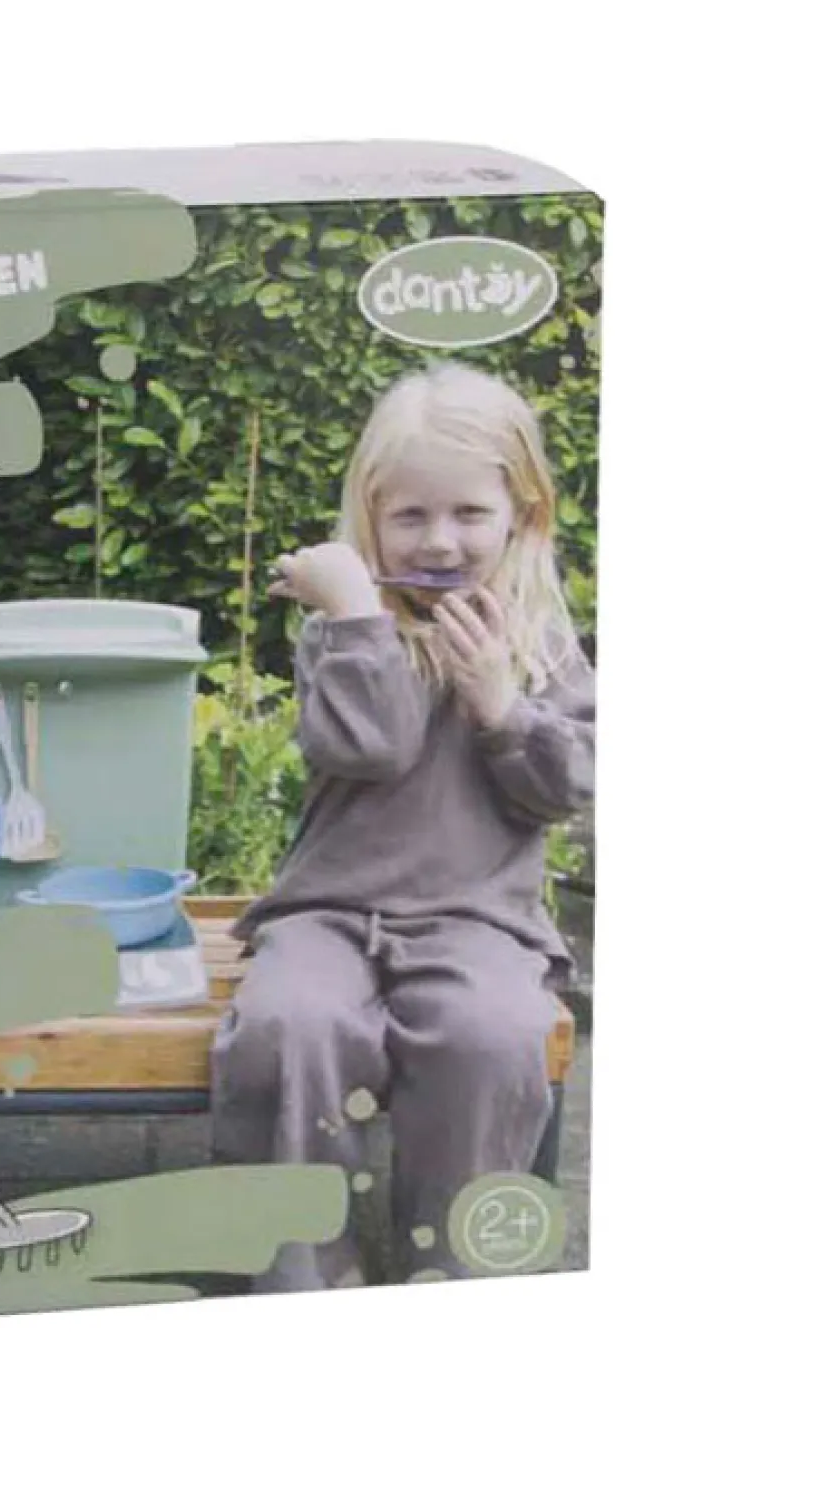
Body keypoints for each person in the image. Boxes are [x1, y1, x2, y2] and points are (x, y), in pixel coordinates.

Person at [210, 362, 595, 1288]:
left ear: (523, 515)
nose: (440, 541)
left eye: (469, 513)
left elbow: (569, 787)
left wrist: (504, 708)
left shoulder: (539, 640)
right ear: (371, 518)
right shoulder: (342, 631)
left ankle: (450, 1268)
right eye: (411, 516)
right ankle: (301, 1272)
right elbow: (371, 748)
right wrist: (354, 617)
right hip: (328, 913)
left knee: (490, 1037)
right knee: (288, 1026)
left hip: (478, 921)